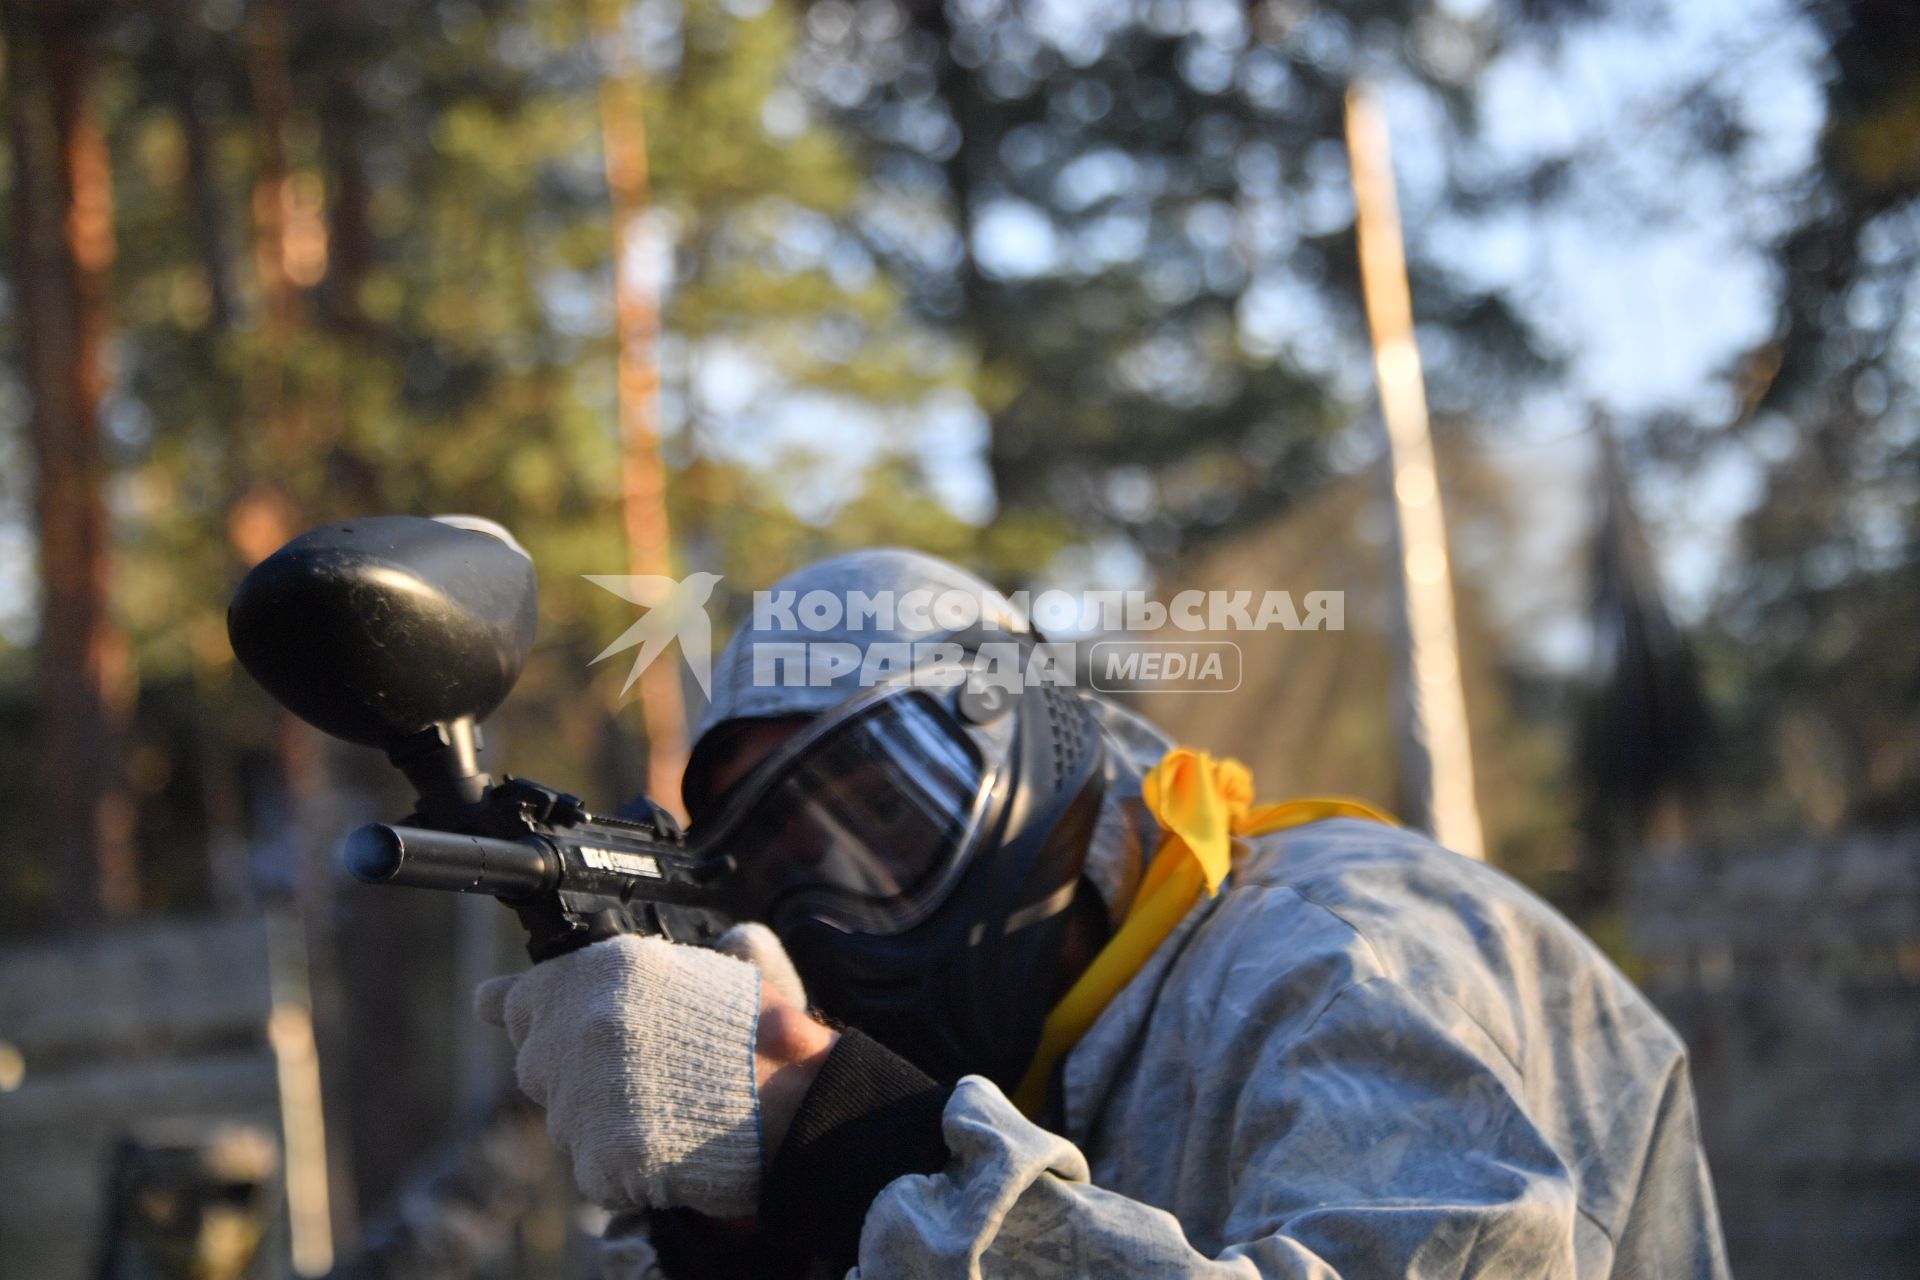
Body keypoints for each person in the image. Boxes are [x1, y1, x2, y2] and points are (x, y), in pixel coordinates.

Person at [476, 550, 1730, 1279]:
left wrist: (861, 1144)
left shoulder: (1342, 961)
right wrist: (748, 1229)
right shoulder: (1047, 1044)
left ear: (1029, 741)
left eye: (880, 817)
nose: (833, 915)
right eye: (781, 878)